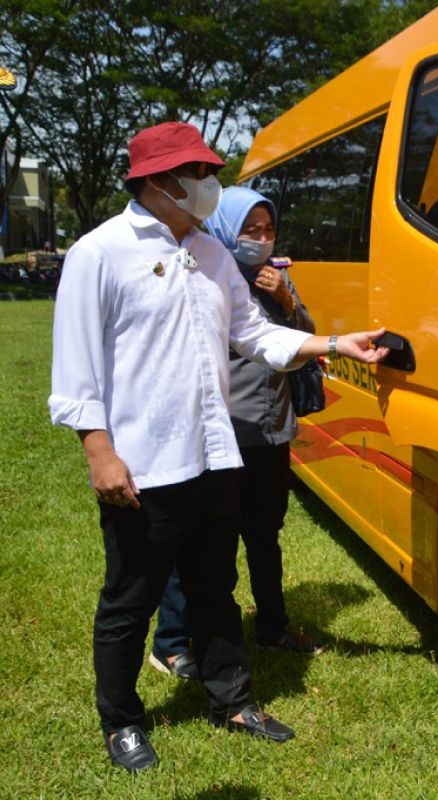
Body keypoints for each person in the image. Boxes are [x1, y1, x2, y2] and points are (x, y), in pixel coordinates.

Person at [47, 121, 390, 773]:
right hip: (145, 466)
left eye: (208, 173)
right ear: (157, 182)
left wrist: (334, 345)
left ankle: (231, 699)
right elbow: (76, 368)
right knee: (131, 599)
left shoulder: (209, 253)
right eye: (197, 175)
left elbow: (256, 335)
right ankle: (121, 720)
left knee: (215, 587)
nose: (209, 186)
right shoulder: (100, 253)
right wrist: (100, 452)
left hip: (214, 459)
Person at [151, 187, 320, 675]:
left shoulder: (278, 278)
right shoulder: (204, 274)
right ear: (227, 229)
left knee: (265, 535)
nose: (262, 241)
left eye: (268, 230)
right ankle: (172, 642)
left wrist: (285, 297)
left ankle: (272, 625)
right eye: (251, 230)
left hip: (271, 432)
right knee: (201, 540)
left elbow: (304, 335)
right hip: (224, 436)